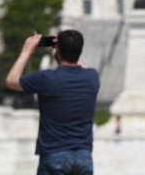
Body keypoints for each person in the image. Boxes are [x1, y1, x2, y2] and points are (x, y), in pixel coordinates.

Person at [6, 30, 100, 175]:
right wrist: (68, 48)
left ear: (58, 51)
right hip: (83, 156)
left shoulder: (46, 79)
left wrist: (26, 52)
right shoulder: (92, 77)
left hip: (54, 153)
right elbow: (79, 64)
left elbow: (11, 80)